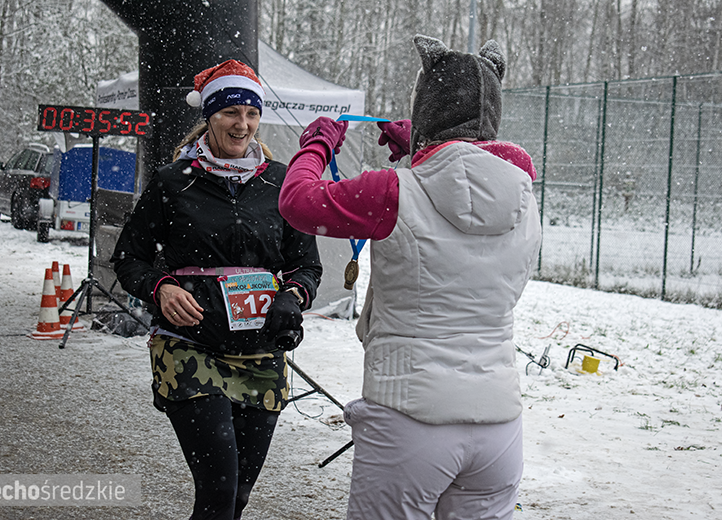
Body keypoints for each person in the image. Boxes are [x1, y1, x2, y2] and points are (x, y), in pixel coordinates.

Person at [279, 35, 542, 520]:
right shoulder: (525, 195)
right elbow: (473, 177)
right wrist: (423, 153)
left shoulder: (391, 191)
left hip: (410, 416)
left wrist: (316, 146)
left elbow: (297, 202)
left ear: (427, 107)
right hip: (500, 424)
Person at [111, 59, 322, 520]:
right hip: (191, 350)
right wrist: (161, 288)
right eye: (230, 113)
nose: (241, 124)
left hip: (261, 355)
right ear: (209, 116)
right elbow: (130, 257)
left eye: (250, 114)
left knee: (240, 497)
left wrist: (293, 296)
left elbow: (306, 265)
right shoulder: (174, 182)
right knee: (218, 492)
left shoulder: (281, 182)